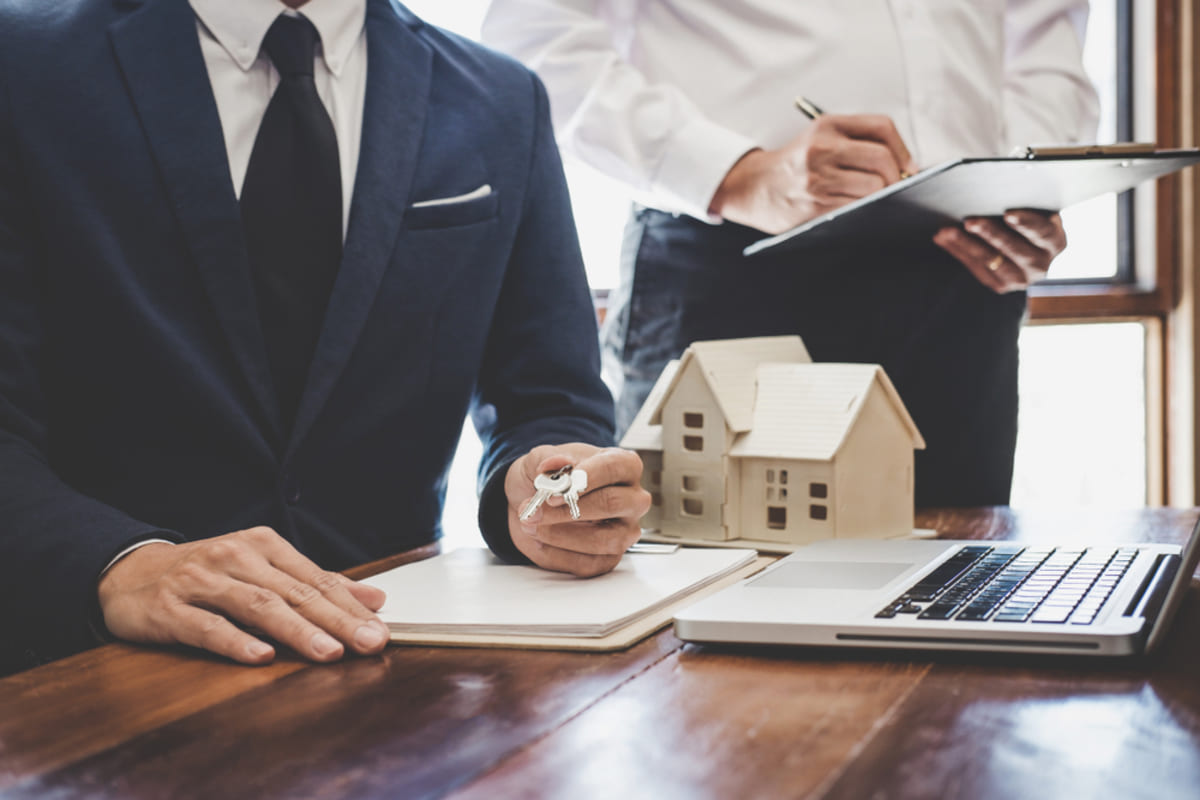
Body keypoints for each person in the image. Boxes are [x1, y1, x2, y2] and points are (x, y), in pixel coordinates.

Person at [0, 0, 650, 675]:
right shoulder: (21, 60)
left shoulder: (503, 98)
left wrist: (539, 491)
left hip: (395, 668)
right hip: (84, 672)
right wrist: (122, 564)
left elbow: (549, 395)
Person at [481, 1, 1100, 508]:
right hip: (736, 256)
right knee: (705, 609)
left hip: (964, 273)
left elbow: (1044, 31)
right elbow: (536, 38)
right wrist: (737, 173)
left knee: (960, 599)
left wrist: (1026, 177)